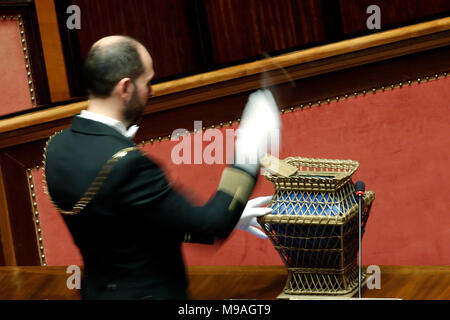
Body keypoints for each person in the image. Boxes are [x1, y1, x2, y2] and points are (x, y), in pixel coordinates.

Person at [44, 36, 281, 300]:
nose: (152, 91)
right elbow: (212, 225)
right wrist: (250, 147)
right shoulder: (126, 163)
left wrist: (230, 213)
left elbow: (124, 222)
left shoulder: (56, 148)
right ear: (125, 88)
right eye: (147, 82)